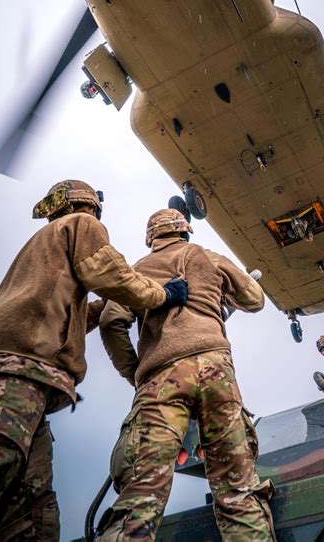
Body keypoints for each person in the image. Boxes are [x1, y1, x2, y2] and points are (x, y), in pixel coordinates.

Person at [0, 181, 188, 540]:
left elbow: (71, 313)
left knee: (32, 511)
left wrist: (113, 307)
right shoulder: (80, 225)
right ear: (88, 206)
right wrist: (162, 295)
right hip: (11, 373)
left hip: (25, 379)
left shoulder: (45, 248)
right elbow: (110, 273)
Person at [97, 207, 276, 541]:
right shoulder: (209, 257)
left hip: (162, 377)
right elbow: (255, 299)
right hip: (217, 369)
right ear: (184, 231)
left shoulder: (139, 269)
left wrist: (135, 372)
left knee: (142, 490)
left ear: (151, 237)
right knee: (238, 488)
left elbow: (110, 322)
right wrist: (221, 293)